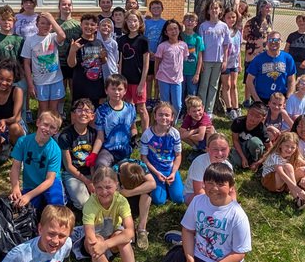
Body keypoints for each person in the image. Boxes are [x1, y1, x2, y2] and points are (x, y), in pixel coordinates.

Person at [159, 162, 251, 262]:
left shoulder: (237, 215)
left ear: (231, 187)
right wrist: (189, 258)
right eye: (210, 183)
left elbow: (239, 253)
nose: (214, 188)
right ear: (204, 183)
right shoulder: (198, 201)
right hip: (198, 254)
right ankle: (181, 249)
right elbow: (188, 230)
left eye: (221, 184)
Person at [139, 102, 185, 242]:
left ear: (172, 118)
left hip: (170, 169)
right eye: (160, 115)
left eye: (167, 115)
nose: (164, 118)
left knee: (179, 199)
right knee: (159, 201)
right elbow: (144, 158)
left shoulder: (174, 133)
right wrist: (156, 173)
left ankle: (170, 185)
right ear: (155, 116)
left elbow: (178, 156)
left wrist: (173, 172)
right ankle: (163, 186)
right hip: (155, 170)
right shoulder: (147, 134)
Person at [259, 132, 305, 219]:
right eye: (287, 146)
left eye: (292, 147)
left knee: (303, 170)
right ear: (280, 145)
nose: (289, 149)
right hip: (270, 182)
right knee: (288, 166)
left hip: (285, 183)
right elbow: (282, 175)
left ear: (296, 147)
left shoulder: (294, 154)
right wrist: (298, 190)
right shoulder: (275, 156)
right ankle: (297, 197)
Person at [9, 111, 66, 216]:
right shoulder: (23, 141)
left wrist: (28, 196)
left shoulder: (55, 150)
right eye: (45, 124)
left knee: (57, 208)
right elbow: (15, 168)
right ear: (38, 122)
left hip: (50, 184)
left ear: (56, 131)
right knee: (26, 211)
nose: (47, 129)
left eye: (52, 127)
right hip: (31, 184)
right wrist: (15, 187)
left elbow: (50, 180)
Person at [0, 5, 28, 119]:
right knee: (1, 105)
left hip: (18, 78)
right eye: (3, 19)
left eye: (9, 19)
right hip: (0, 79)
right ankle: (0, 129)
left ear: (14, 21)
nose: (6, 22)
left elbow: (24, 62)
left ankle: (21, 128)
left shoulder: (19, 39)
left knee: (19, 105)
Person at [21, 11, 67, 117]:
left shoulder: (53, 37)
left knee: (53, 110)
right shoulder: (30, 40)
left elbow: (62, 36)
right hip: (40, 82)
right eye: (42, 23)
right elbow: (26, 64)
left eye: (48, 23)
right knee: (43, 110)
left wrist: (52, 19)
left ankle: (54, 131)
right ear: (37, 24)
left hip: (56, 80)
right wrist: (30, 84)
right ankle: (41, 131)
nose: (46, 26)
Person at [87, 75, 137, 170]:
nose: (117, 92)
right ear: (106, 91)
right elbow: (100, 137)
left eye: (120, 89)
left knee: (127, 173)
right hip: (108, 150)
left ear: (125, 91)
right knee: (101, 166)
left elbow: (133, 127)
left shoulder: (131, 108)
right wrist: (94, 154)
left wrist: (134, 136)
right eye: (113, 89)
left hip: (125, 151)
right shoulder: (101, 111)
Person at [57, 98, 97, 210]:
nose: (83, 113)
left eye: (87, 111)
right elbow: (68, 167)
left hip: (90, 172)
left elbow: (93, 162)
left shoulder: (93, 134)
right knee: (84, 203)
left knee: (102, 197)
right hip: (72, 174)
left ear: (92, 116)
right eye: (79, 110)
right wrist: (88, 182)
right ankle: (69, 194)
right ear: (73, 115)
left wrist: (93, 179)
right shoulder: (65, 136)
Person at [197, 0, 231, 117]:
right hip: (206, 60)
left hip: (218, 61)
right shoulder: (203, 26)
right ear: (208, 11)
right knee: (204, 85)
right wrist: (200, 62)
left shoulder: (224, 26)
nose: (214, 10)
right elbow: (200, 46)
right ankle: (200, 109)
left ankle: (209, 110)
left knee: (214, 86)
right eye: (211, 8)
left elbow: (226, 45)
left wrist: (225, 60)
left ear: (220, 10)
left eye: (216, 8)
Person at [118, 10, 151, 132]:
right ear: (126, 22)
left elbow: (146, 63)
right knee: (128, 107)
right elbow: (121, 61)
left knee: (141, 109)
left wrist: (142, 83)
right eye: (130, 21)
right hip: (126, 80)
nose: (132, 24)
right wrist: (120, 80)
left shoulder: (143, 40)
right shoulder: (122, 40)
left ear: (140, 22)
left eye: (135, 21)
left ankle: (146, 134)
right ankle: (132, 132)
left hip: (138, 81)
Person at [245, 31, 296, 106]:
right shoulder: (258, 59)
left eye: (276, 40)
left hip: (280, 99)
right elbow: (249, 81)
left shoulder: (287, 58)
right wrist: (257, 100)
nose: (273, 42)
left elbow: (291, 80)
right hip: (262, 98)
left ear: (280, 41)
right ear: (267, 42)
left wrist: (288, 98)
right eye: (270, 40)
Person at [0, 59, 27, 152]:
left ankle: (18, 151)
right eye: (1, 79)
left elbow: (16, 118)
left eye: (8, 80)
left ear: (13, 80)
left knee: (14, 128)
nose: (4, 83)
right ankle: (4, 148)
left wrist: (4, 121)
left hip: (14, 128)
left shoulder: (17, 91)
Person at [67, 14, 107, 106]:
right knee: (78, 110)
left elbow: (104, 61)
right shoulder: (76, 43)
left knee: (96, 112)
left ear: (96, 28)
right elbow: (71, 64)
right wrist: (73, 50)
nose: (89, 27)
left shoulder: (99, 42)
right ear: (81, 25)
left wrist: (103, 57)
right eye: (86, 24)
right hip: (81, 85)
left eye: (92, 24)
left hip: (97, 85)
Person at [155, 19, 188, 118]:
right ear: (166, 32)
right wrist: (156, 78)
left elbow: (184, 60)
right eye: (170, 29)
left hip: (177, 79)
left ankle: (173, 124)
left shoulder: (183, 45)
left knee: (178, 105)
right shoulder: (162, 46)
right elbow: (157, 62)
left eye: (175, 29)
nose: (173, 31)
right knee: (165, 104)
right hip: (163, 78)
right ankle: (164, 123)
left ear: (179, 30)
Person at [56, 0, 82, 109]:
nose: (66, 6)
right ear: (59, 7)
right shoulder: (54, 24)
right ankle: (60, 111)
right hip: (58, 61)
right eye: (64, 4)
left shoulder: (77, 25)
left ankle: (73, 110)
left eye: (69, 4)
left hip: (73, 61)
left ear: (72, 7)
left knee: (74, 87)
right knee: (60, 88)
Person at [229, 103, 270, 171]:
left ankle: (254, 161)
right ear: (247, 112)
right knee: (236, 162)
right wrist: (243, 157)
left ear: (263, 118)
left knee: (254, 142)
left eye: (257, 116)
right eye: (251, 114)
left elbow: (270, 148)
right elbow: (235, 140)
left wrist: (258, 162)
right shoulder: (238, 122)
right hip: (241, 148)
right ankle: (245, 161)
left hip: (255, 150)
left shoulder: (262, 129)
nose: (253, 118)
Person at [242, 0, 274, 86]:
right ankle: (247, 99)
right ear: (260, 8)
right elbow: (245, 36)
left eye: (270, 8)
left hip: (265, 54)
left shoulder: (268, 22)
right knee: (249, 79)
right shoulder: (251, 22)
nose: (269, 10)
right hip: (252, 55)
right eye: (267, 7)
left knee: (262, 78)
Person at [220, 7, 243, 119]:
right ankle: (229, 109)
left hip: (234, 63)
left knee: (234, 85)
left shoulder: (238, 32)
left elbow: (238, 49)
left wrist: (240, 63)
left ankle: (236, 107)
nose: (231, 19)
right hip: (225, 62)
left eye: (233, 17)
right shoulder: (224, 31)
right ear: (224, 18)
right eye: (228, 17)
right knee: (227, 85)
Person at [179, 95, 215, 160]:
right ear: (189, 112)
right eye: (194, 111)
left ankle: (208, 150)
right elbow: (180, 135)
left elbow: (200, 137)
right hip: (197, 138)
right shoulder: (188, 117)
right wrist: (196, 130)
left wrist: (188, 134)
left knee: (211, 129)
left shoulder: (204, 117)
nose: (197, 113)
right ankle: (197, 149)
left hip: (207, 140)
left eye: (199, 110)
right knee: (179, 132)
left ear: (203, 108)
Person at [143, 0, 167, 101]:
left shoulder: (165, 23)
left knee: (158, 78)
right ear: (150, 10)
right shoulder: (146, 23)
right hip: (149, 54)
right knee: (149, 78)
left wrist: (159, 53)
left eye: (158, 7)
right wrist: (149, 51)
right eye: (153, 8)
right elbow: (143, 38)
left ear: (162, 9)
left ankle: (157, 98)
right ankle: (148, 98)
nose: (156, 10)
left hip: (161, 56)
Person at [181, 12, 204, 101]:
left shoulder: (198, 38)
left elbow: (200, 57)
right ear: (183, 22)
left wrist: (197, 74)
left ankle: (190, 112)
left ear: (196, 23)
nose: (189, 22)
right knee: (181, 93)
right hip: (180, 71)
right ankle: (181, 112)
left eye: (192, 20)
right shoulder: (180, 36)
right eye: (187, 20)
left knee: (192, 94)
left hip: (192, 72)